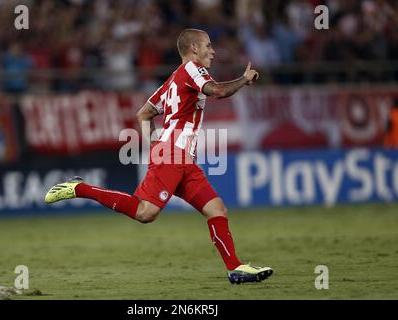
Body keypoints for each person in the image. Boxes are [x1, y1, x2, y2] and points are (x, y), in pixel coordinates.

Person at [45, 28, 273, 284]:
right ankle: (80, 188)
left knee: (216, 209)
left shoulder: (173, 79)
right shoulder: (192, 70)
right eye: (208, 45)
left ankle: (235, 268)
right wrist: (243, 79)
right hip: (173, 155)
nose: (213, 50)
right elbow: (217, 91)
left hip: (183, 158)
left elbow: (144, 113)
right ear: (193, 49)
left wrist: (155, 145)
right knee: (145, 213)